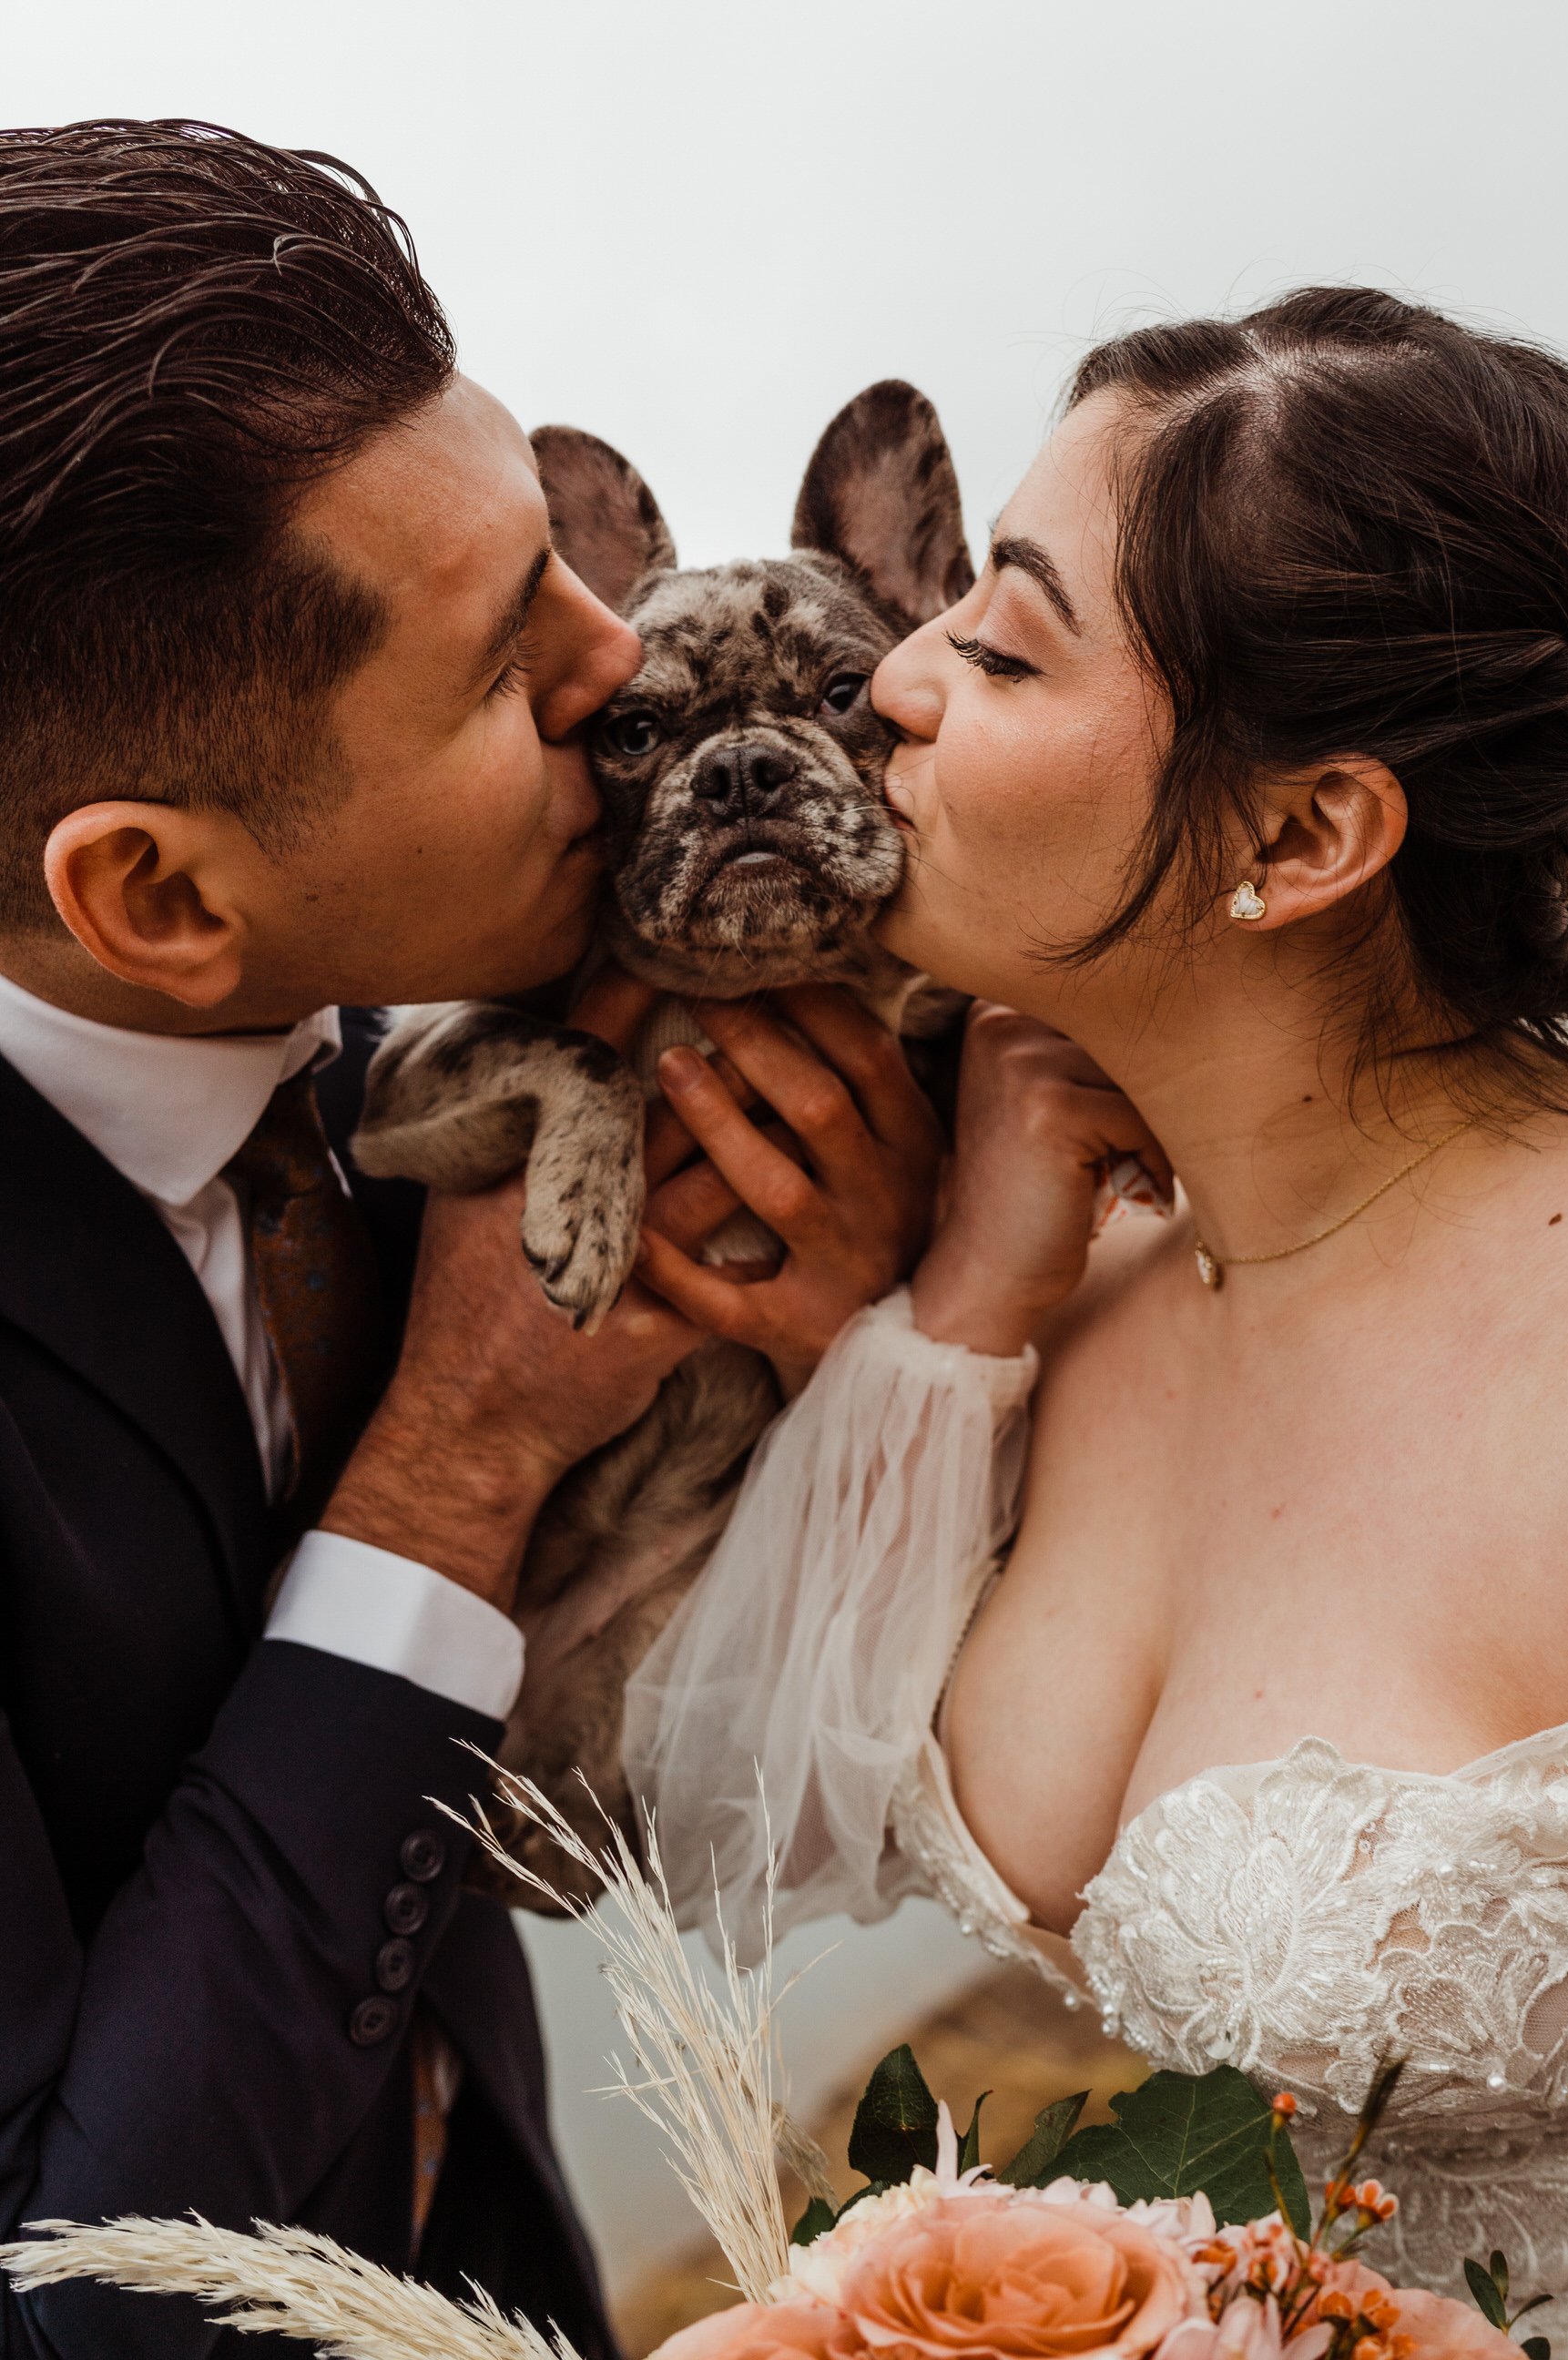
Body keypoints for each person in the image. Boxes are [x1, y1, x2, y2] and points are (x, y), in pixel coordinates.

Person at [0, 120, 932, 2360]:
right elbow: (73, 2302)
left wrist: (866, 1344)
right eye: (518, 665)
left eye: (569, 570)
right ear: (159, 898)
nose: (625, 665)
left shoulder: (399, 1062)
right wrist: (459, 1455)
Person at [625, 290, 1568, 2324]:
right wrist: (955, 1312)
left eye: (1002, 640)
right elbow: (731, 1844)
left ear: (1301, 835)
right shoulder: (1058, 1275)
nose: (891, 680)